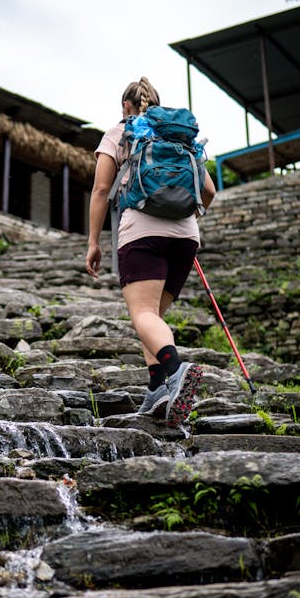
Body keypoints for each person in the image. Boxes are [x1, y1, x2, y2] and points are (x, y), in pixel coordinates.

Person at [85, 77, 216, 427]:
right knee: (153, 316)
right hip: (186, 235)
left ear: (126, 106)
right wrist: (179, 209)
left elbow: (100, 191)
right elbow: (209, 191)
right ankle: (158, 389)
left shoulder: (120, 132)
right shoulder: (179, 138)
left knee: (142, 314)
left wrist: (94, 242)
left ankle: (175, 370)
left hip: (141, 230)